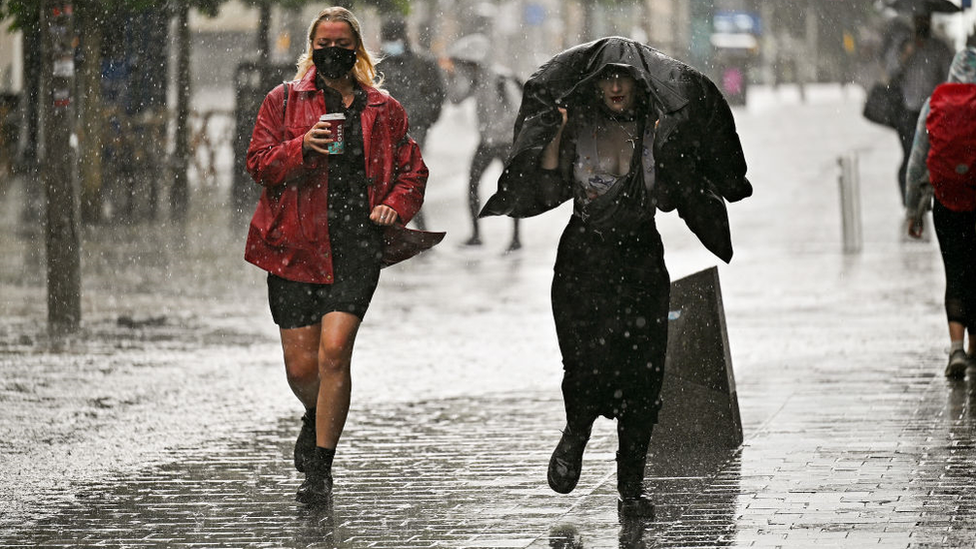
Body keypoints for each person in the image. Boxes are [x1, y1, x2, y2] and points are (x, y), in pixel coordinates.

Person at [480, 37, 752, 518]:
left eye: (622, 77)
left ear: (639, 82)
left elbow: (671, 192)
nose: (615, 87)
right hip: (583, 259)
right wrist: (557, 134)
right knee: (584, 362)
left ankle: (631, 485)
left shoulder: (656, 128)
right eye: (606, 78)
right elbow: (547, 179)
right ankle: (576, 433)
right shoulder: (578, 122)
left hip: (640, 260)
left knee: (644, 374)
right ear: (595, 85)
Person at [244, 6, 429, 505]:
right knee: (302, 368)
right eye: (323, 42)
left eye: (342, 43)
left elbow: (413, 172)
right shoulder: (282, 102)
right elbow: (258, 164)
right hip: (292, 248)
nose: (333, 51)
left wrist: (395, 204)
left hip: (355, 247)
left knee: (334, 352)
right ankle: (315, 414)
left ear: (358, 50)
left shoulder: (383, 110)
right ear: (311, 47)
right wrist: (302, 145)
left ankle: (321, 467)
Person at [904, 48, 976, 379]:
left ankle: (956, 348)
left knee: (956, 272)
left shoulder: (937, 101)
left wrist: (913, 210)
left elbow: (918, 160)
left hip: (946, 201)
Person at [443, 33, 522, 250]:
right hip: (486, 143)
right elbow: (456, 100)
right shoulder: (476, 81)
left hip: (506, 144)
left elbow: (517, 111)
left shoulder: (501, 79)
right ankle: (476, 235)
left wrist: (497, 130)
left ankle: (516, 238)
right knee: (472, 185)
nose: (466, 68)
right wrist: (450, 76)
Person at [376, 17, 445, 230]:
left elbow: (437, 94)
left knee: (403, 177)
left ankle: (410, 228)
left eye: (393, 37)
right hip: (385, 132)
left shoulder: (423, 62)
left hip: (414, 129)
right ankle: (410, 227)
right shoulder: (378, 64)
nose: (391, 42)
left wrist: (426, 119)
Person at [885, 13, 954, 205]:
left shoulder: (939, 48)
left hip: (932, 111)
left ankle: (926, 198)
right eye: (918, 20)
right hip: (907, 110)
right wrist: (906, 54)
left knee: (930, 157)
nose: (921, 23)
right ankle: (909, 202)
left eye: (924, 20)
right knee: (910, 155)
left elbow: (949, 76)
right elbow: (890, 71)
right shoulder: (903, 45)